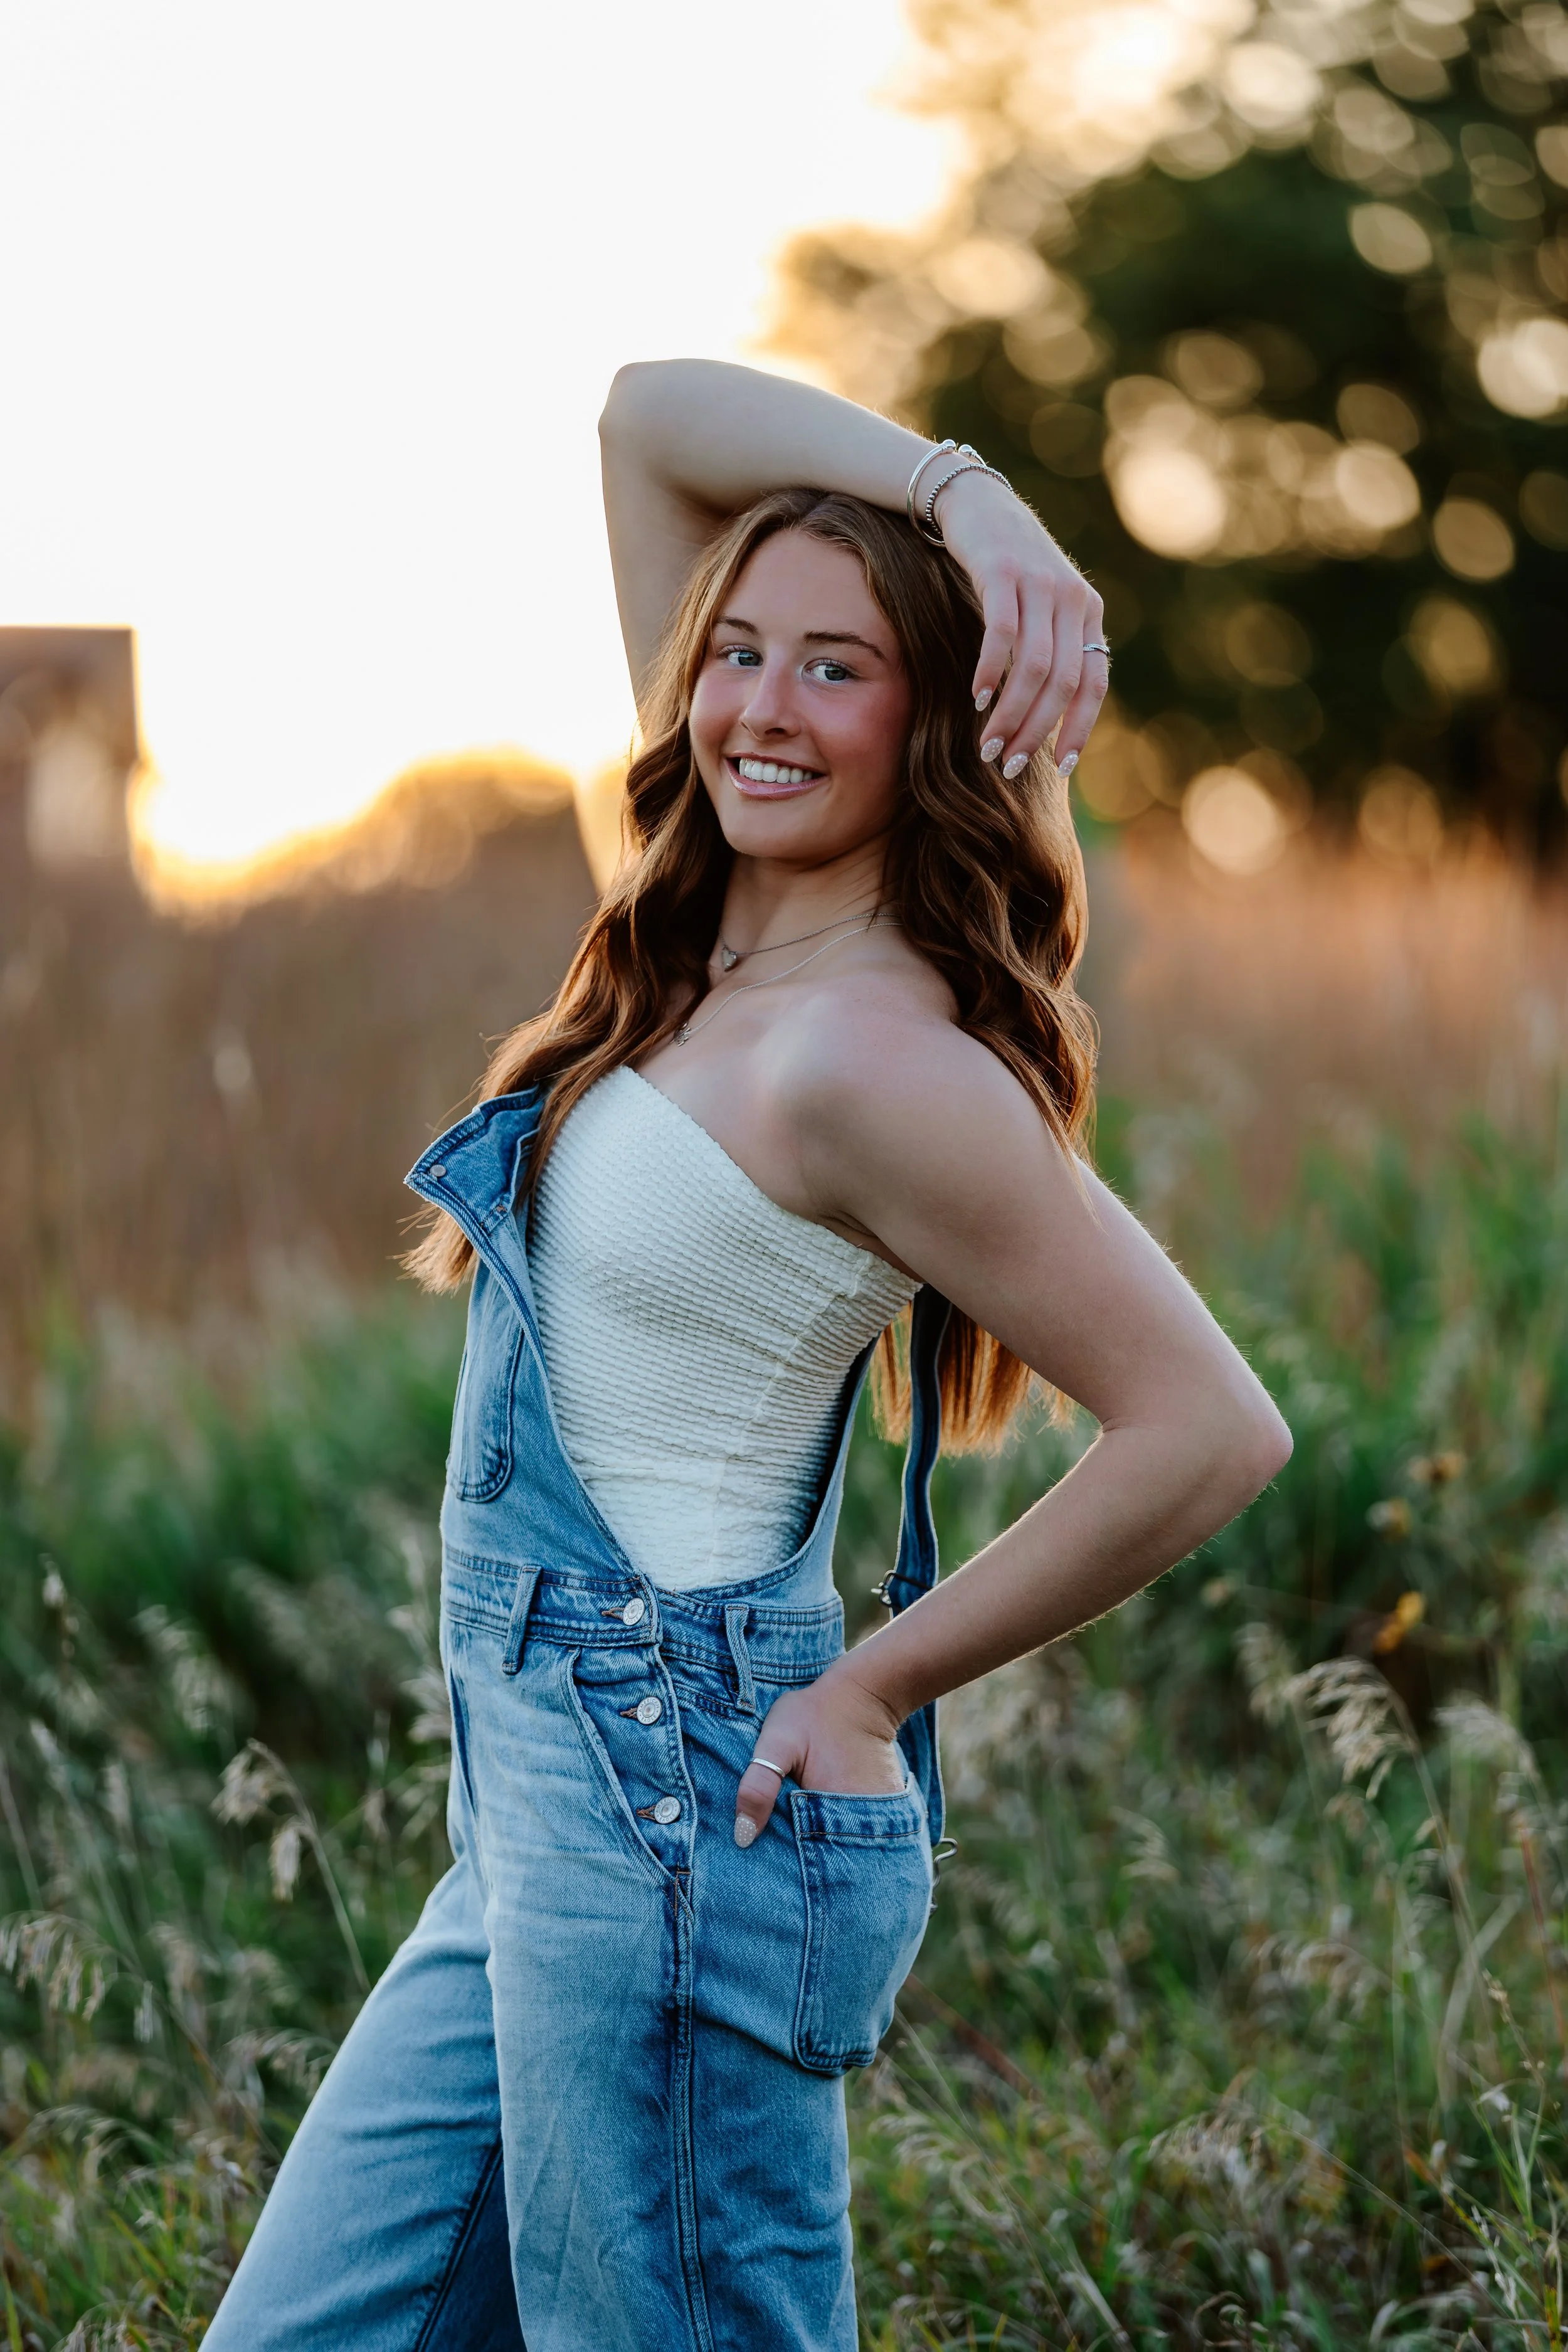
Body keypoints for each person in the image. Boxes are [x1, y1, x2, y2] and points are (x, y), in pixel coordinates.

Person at [205, 359, 1291, 2352]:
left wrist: (878, 1681)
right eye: (739, 653)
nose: (756, 709)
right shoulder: (703, 926)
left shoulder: (875, 1059)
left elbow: (1208, 1427)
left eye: (838, 670)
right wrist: (970, 501)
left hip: (684, 1802)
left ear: (937, 718)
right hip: (537, 1806)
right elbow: (644, 418)